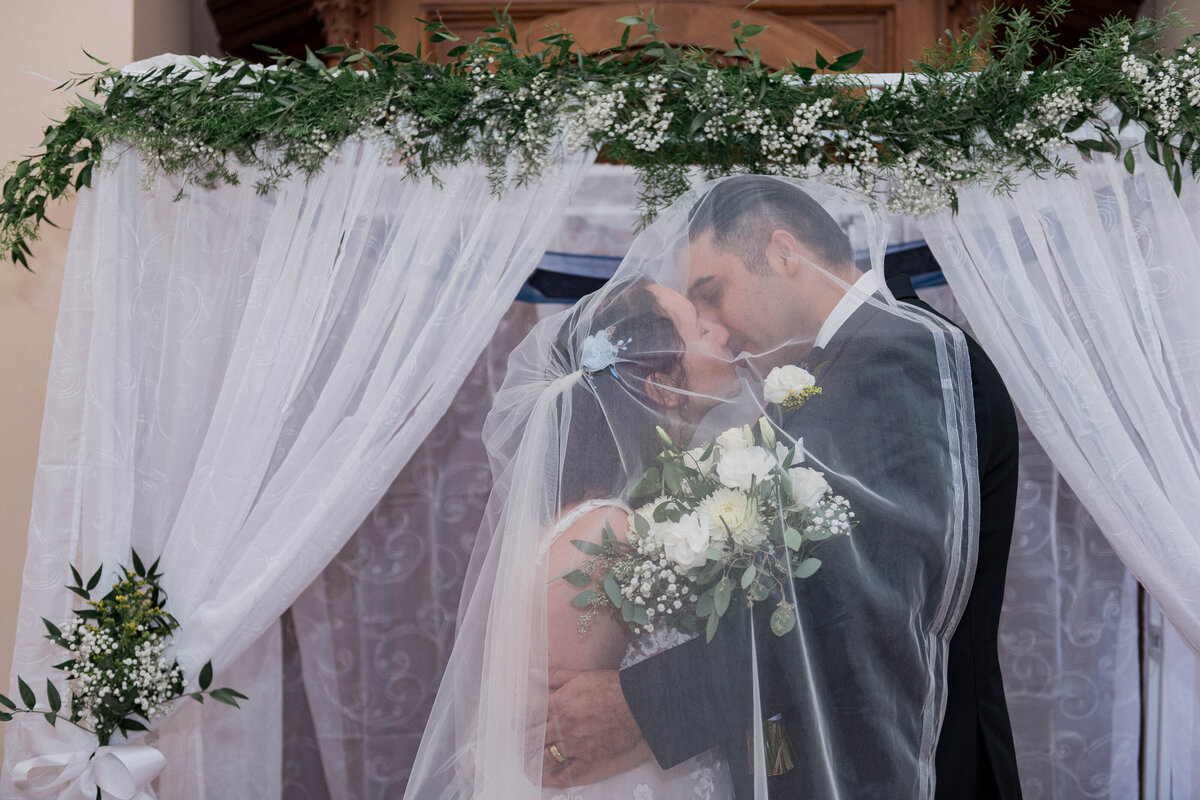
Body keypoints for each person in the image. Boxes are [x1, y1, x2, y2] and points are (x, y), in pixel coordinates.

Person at [544, 176, 1016, 798]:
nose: (714, 327)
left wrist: (644, 706)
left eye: (712, 294)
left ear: (783, 252)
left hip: (910, 769)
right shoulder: (842, 365)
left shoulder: (900, 356)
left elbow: (863, 602)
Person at [402, 274, 745, 799]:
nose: (722, 331)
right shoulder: (605, 530)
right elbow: (550, 737)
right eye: (700, 328)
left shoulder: (637, 515)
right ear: (660, 388)